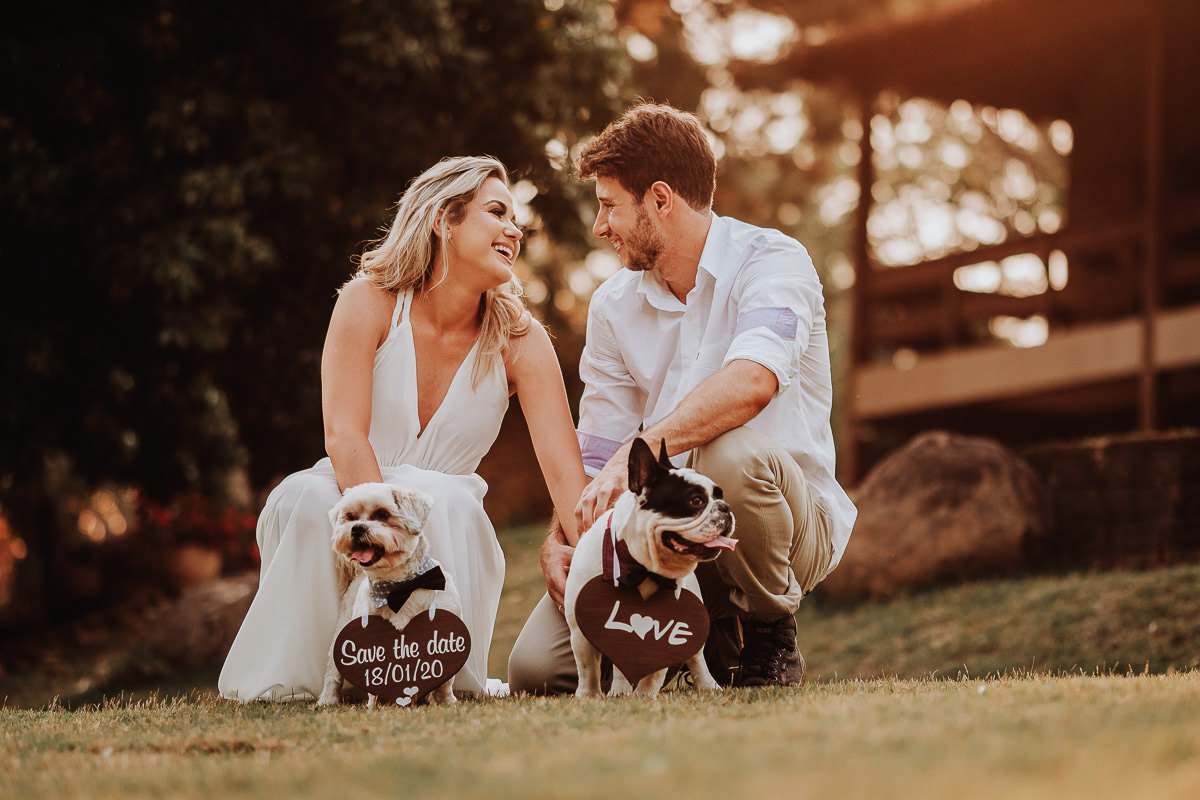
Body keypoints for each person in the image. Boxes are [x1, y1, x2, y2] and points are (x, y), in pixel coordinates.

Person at [508, 104, 857, 693]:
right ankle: (701, 637)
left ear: (661, 199)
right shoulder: (613, 306)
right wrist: (560, 538)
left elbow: (753, 382)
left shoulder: (774, 261)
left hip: (784, 525)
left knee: (729, 453)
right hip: (662, 532)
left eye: (609, 205)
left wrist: (642, 446)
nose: (600, 226)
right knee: (537, 671)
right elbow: (599, 453)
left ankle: (769, 636)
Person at [219, 156, 588, 702]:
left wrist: (603, 573)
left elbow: (564, 472)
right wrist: (382, 532)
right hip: (354, 483)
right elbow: (344, 435)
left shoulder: (522, 339)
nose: (515, 229)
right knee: (301, 494)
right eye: (496, 212)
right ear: (444, 219)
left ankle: (426, 668)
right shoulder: (367, 301)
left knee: (443, 497)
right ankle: (294, 683)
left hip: (446, 512)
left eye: (517, 219)